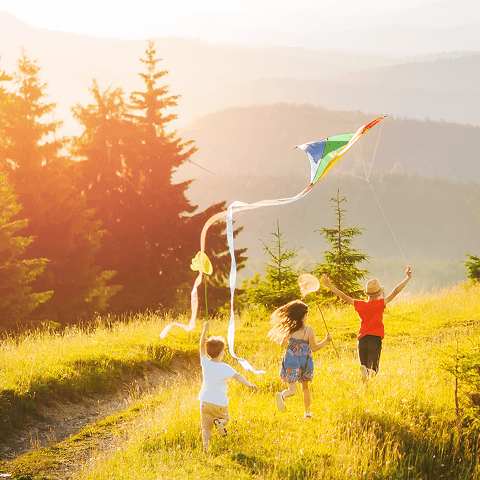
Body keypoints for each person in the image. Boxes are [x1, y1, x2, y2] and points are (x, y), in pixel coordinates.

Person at [323, 267, 412, 381]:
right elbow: (395, 291)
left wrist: (329, 285)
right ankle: (366, 372)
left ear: (367, 294)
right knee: (373, 370)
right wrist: (407, 278)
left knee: (364, 373)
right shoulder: (380, 303)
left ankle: (366, 391)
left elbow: (343, 296)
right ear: (379, 294)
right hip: (374, 340)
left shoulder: (360, 304)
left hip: (362, 340)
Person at [198, 321, 257, 451]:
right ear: (220, 353)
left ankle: (205, 448)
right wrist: (249, 384)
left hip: (205, 402)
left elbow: (201, 346)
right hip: (219, 403)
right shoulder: (225, 367)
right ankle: (220, 423)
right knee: (226, 418)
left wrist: (205, 329)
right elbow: (237, 376)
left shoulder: (205, 363)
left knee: (206, 427)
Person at [269, 300, 332, 418]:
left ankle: (283, 395)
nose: (307, 316)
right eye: (306, 314)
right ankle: (307, 413)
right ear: (302, 317)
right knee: (305, 388)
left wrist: (286, 339)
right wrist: (327, 341)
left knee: (291, 390)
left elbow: (282, 345)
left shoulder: (290, 330)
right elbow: (314, 348)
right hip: (304, 362)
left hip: (290, 360)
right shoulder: (309, 330)